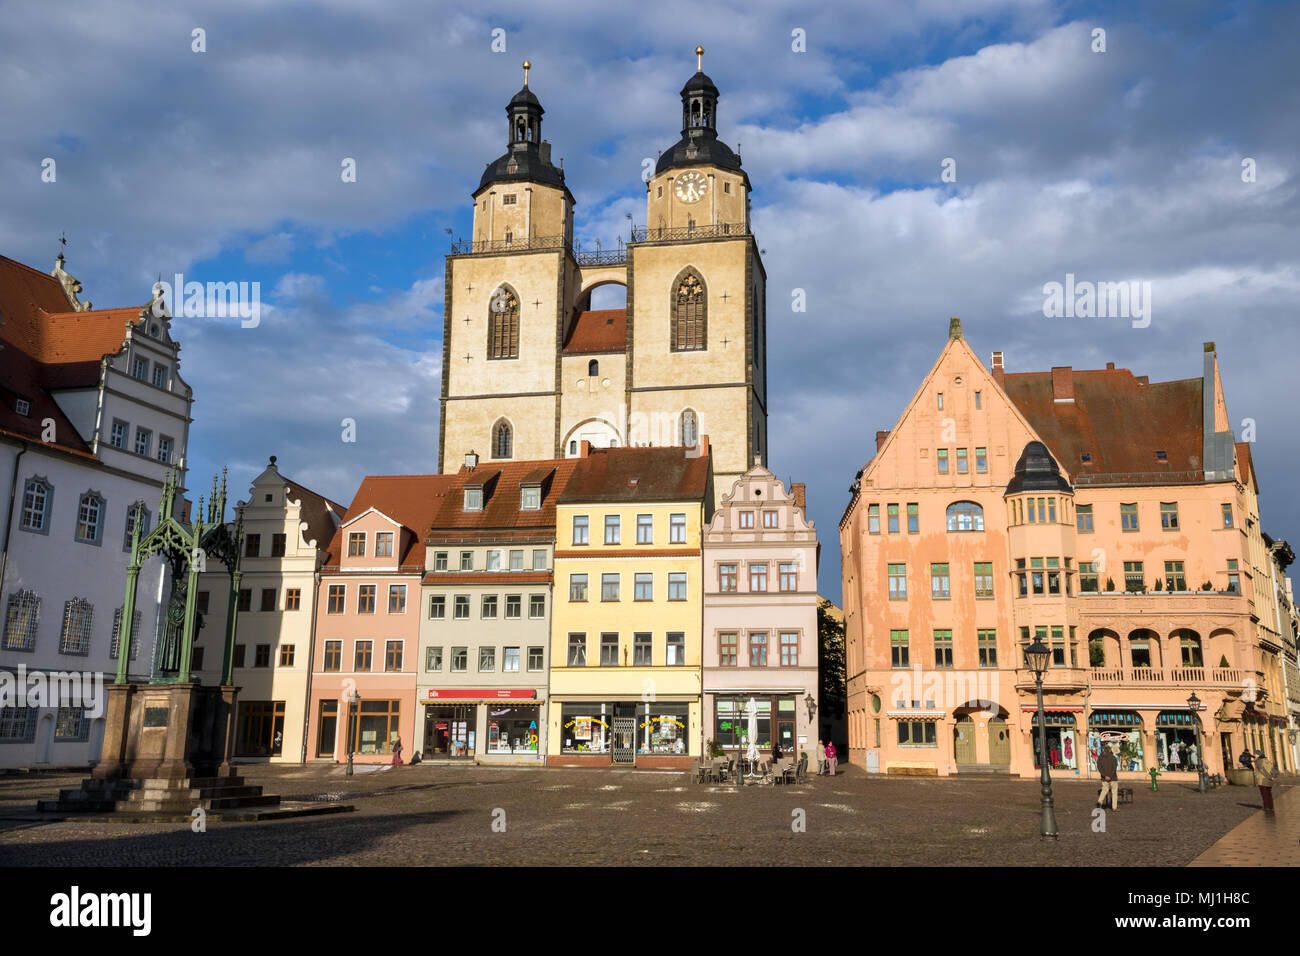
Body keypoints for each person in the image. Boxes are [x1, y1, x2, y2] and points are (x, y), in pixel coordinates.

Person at [1096, 742, 1120, 811]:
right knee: (1114, 792)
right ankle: (1114, 807)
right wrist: (1110, 776)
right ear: (1110, 750)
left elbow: (1099, 768)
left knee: (1104, 790)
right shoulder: (1113, 758)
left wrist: (1105, 776)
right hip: (1113, 778)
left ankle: (1100, 801)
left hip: (1104, 778)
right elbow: (1114, 768)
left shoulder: (1100, 758)